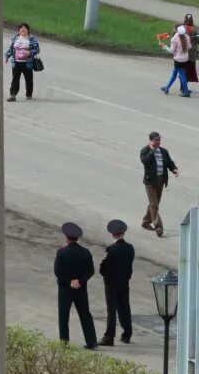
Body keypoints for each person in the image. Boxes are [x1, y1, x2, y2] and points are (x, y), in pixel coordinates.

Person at [55, 222, 97, 348]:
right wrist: (80, 281)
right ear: (78, 238)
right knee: (85, 314)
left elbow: (58, 271)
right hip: (81, 289)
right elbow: (90, 271)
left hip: (65, 289)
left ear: (66, 237)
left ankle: (64, 343)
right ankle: (92, 341)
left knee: (64, 316)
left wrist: (69, 282)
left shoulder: (61, 252)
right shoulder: (86, 252)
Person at [99, 219, 134, 347]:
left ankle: (109, 336)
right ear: (123, 233)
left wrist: (106, 277)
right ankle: (127, 334)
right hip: (124, 282)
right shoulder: (130, 248)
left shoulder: (111, 249)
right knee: (125, 307)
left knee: (111, 310)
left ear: (113, 234)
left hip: (111, 283)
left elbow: (103, 267)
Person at [142, 131, 179, 236]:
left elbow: (169, 163)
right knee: (154, 205)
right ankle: (158, 227)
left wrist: (174, 169)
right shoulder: (145, 150)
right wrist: (151, 152)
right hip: (150, 182)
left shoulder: (164, 151)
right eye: (156, 140)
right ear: (151, 140)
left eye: (159, 139)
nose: (158, 141)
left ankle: (145, 222)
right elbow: (145, 161)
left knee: (154, 204)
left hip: (161, 181)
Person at [4, 23, 40, 102]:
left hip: (28, 63)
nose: (23, 30)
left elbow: (37, 50)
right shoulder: (16, 38)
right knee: (15, 79)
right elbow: (11, 48)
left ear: (28, 30)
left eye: (24, 29)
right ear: (19, 30)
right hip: (16, 62)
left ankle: (29, 95)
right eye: (21, 29)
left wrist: (30, 53)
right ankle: (13, 95)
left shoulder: (32, 39)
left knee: (28, 79)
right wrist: (7, 56)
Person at [161, 22, 192, 97]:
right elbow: (190, 47)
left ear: (176, 29)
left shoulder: (174, 38)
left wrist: (164, 47)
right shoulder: (187, 37)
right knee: (175, 73)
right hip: (185, 59)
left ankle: (186, 91)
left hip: (178, 60)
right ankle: (167, 87)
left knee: (181, 75)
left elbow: (171, 51)